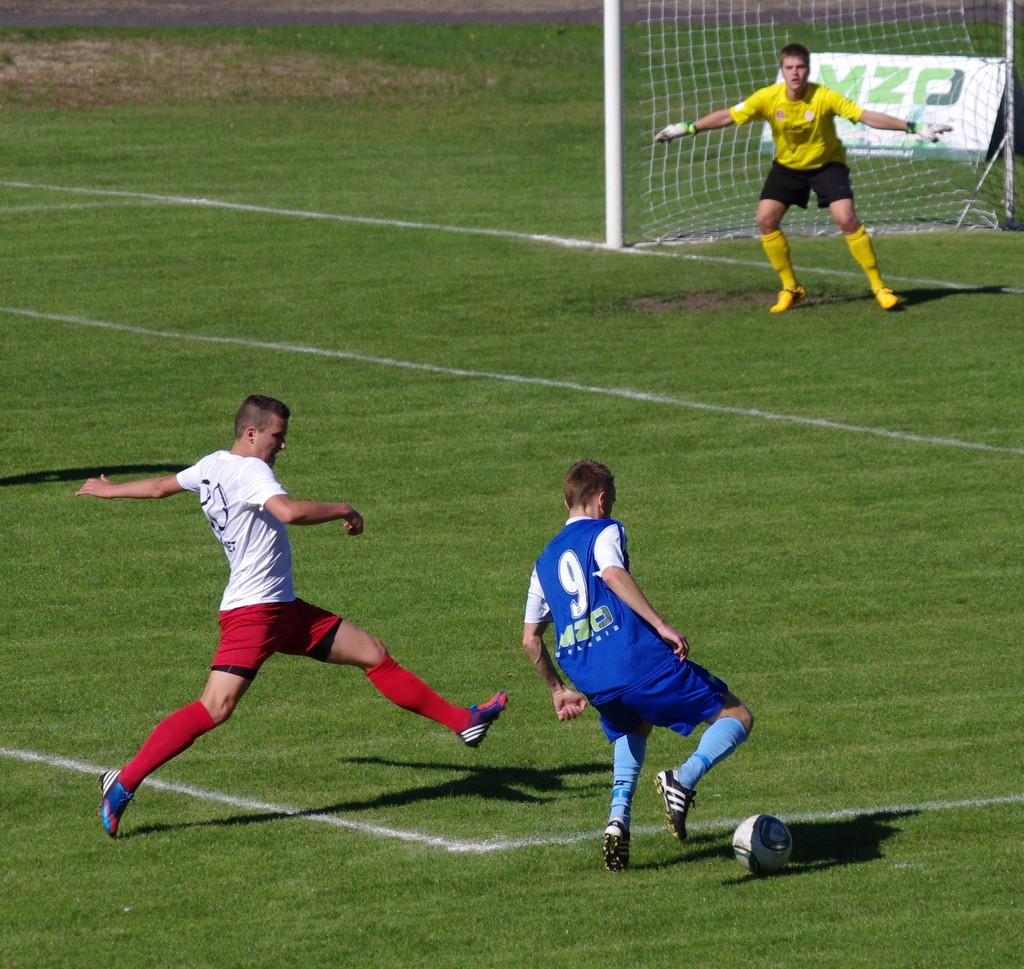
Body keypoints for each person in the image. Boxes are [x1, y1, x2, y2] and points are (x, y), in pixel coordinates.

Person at [77, 394, 507, 838]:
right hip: (255, 614)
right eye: (277, 437)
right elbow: (289, 512)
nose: (282, 446)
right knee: (215, 707)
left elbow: (159, 486)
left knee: (373, 653)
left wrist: (111, 489)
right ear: (251, 433)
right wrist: (344, 509)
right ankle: (122, 783)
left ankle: (464, 723)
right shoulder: (251, 471)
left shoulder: (211, 465)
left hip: (283, 609)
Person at [521, 459, 752, 871]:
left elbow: (530, 639)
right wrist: (661, 625)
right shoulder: (605, 530)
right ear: (602, 499)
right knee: (737, 716)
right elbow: (612, 573)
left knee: (634, 725)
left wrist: (558, 690)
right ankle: (682, 779)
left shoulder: (542, 564)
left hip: (590, 677)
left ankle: (617, 819)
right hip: (635, 660)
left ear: (566, 501)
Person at [655, 42, 953, 313]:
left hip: (827, 165)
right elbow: (728, 116)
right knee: (765, 220)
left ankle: (879, 287)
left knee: (846, 219)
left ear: (808, 70)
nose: (795, 73)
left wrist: (913, 127)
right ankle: (791, 288)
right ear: (782, 70)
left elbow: (865, 116)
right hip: (788, 167)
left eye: (800, 67)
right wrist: (688, 128)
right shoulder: (767, 98)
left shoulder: (823, 96)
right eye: (789, 68)